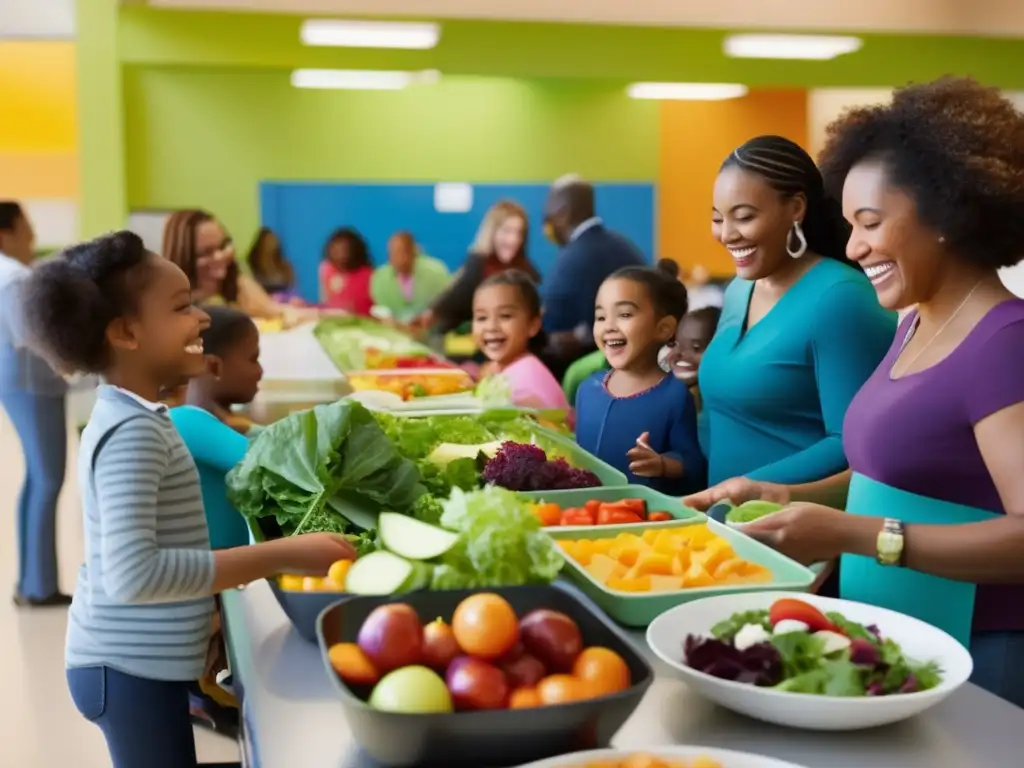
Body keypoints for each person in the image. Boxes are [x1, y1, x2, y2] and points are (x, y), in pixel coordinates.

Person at [684, 77, 1024, 707]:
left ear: (948, 213)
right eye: (848, 225)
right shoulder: (916, 321)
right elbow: (896, 481)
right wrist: (786, 493)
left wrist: (855, 535)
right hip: (899, 635)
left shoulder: (1006, 341)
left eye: (870, 223)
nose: (853, 246)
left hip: (980, 651)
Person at [20, 230, 356, 767]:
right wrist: (285, 554)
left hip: (142, 665)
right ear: (126, 332)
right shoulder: (131, 433)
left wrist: (204, 618)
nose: (202, 318)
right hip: (125, 670)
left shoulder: (140, 418)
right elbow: (135, 576)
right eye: (181, 308)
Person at [700, 135, 896, 486]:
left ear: (795, 208)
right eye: (718, 219)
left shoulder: (840, 298)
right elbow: (725, 415)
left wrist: (748, 488)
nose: (727, 234)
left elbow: (851, 443)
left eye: (743, 217)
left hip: (796, 528)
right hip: (725, 526)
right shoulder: (737, 290)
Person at [575, 266, 705, 496]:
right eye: (601, 317)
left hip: (641, 520)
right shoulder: (587, 388)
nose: (609, 326)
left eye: (624, 314)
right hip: (582, 513)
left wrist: (662, 464)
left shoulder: (674, 395)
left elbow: (693, 464)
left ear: (663, 328)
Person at [0, 201, 69, 607]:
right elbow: (29, 334)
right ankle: (39, 586)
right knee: (47, 479)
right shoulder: (14, 278)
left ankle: (31, 581)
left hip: (18, 380)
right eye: (27, 230)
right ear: (5, 232)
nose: (33, 238)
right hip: (33, 383)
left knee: (36, 479)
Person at [541, 174, 646, 378]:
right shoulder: (623, 246)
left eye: (549, 215)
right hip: (636, 366)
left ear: (563, 213)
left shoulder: (572, 258)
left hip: (592, 374)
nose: (548, 224)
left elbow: (552, 330)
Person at [422, 200, 540, 334]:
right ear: (492, 232)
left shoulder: (526, 271)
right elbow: (457, 294)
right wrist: (432, 312)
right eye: (507, 231)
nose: (513, 240)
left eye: (519, 233)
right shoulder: (477, 263)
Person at [163, 209, 302, 322]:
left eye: (224, 246)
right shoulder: (172, 310)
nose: (219, 256)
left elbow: (277, 311)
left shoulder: (240, 285)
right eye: (205, 252)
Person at [472, 270, 569, 412]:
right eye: (482, 318)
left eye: (505, 316)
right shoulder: (501, 369)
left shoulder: (525, 385)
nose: (491, 327)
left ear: (532, 324)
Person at [667, 307, 721, 456]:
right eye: (674, 344)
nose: (678, 354)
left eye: (696, 348)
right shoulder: (670, 400)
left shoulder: (719, 414)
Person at [370, 231, 451, 323]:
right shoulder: (380, 278)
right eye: (394, 253)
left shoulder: (436, 272)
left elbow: (445, 304)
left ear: (414, 251)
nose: (399, 259)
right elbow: (381, 309)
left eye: (403, 252)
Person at [319, 227, 374, 315]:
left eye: (345, 250)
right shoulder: (326, 268)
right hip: (333, 321)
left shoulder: (368, 275)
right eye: (336, 250)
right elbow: (325, 302)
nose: (341, 256)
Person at [246, 227, 297, 302]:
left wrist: (284, 298)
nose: (272, 244)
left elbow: (294, 292)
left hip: (287, 307)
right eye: (268, 242)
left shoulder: (286, 267)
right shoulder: (252, 269)